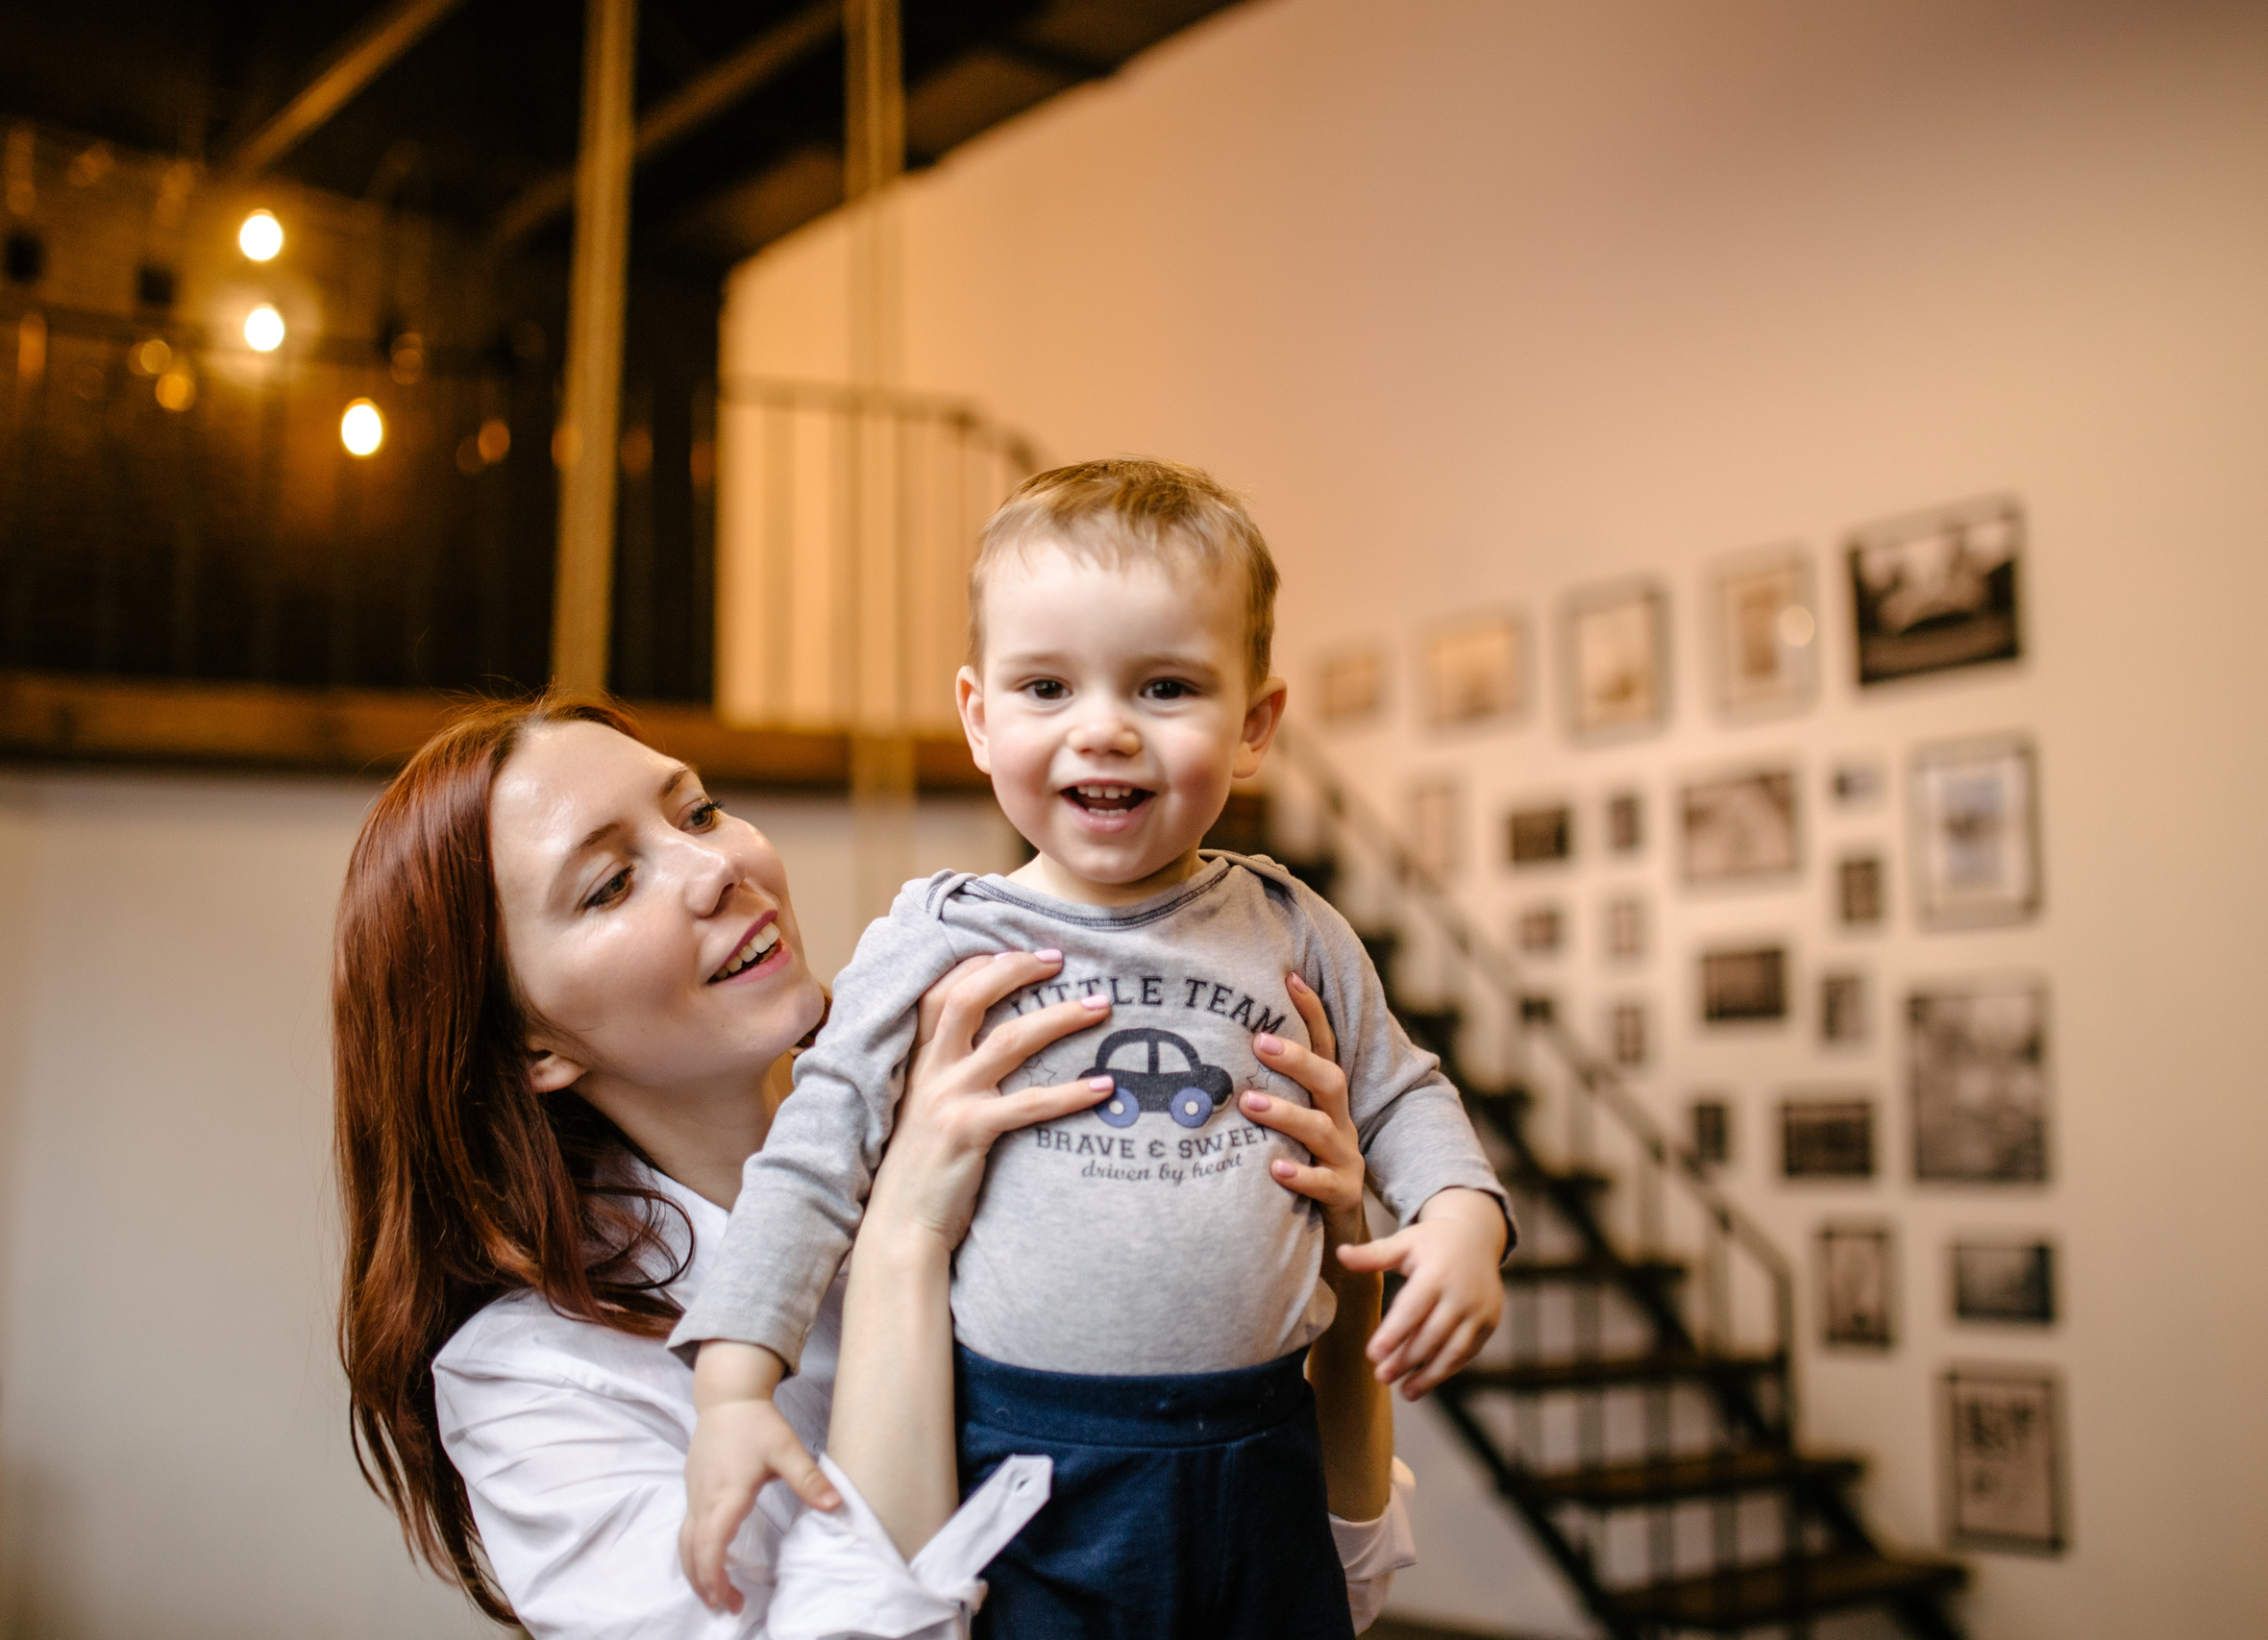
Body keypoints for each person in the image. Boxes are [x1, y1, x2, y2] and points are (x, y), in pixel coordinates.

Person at [333, 695, 1418, 1640]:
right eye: (612, 883)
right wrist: (903, 1235)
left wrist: (1341, 1267)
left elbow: (1343, 1578)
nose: (717, 867)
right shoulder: (532, 1380)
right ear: (533, 1046)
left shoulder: (1009, 1125)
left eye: (699, 811)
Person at [679, 459, 1514, 1637]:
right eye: (1046, 687)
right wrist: (732, 1388)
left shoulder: (1292, 926)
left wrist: (1463, 1217)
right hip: (1031, 1463)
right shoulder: (940, 934)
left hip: (1265, 1448)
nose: (1105, 729)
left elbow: (1400, 1093)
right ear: (979, 718)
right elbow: (813, 1158)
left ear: (1253, 725)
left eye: (1166, 687)